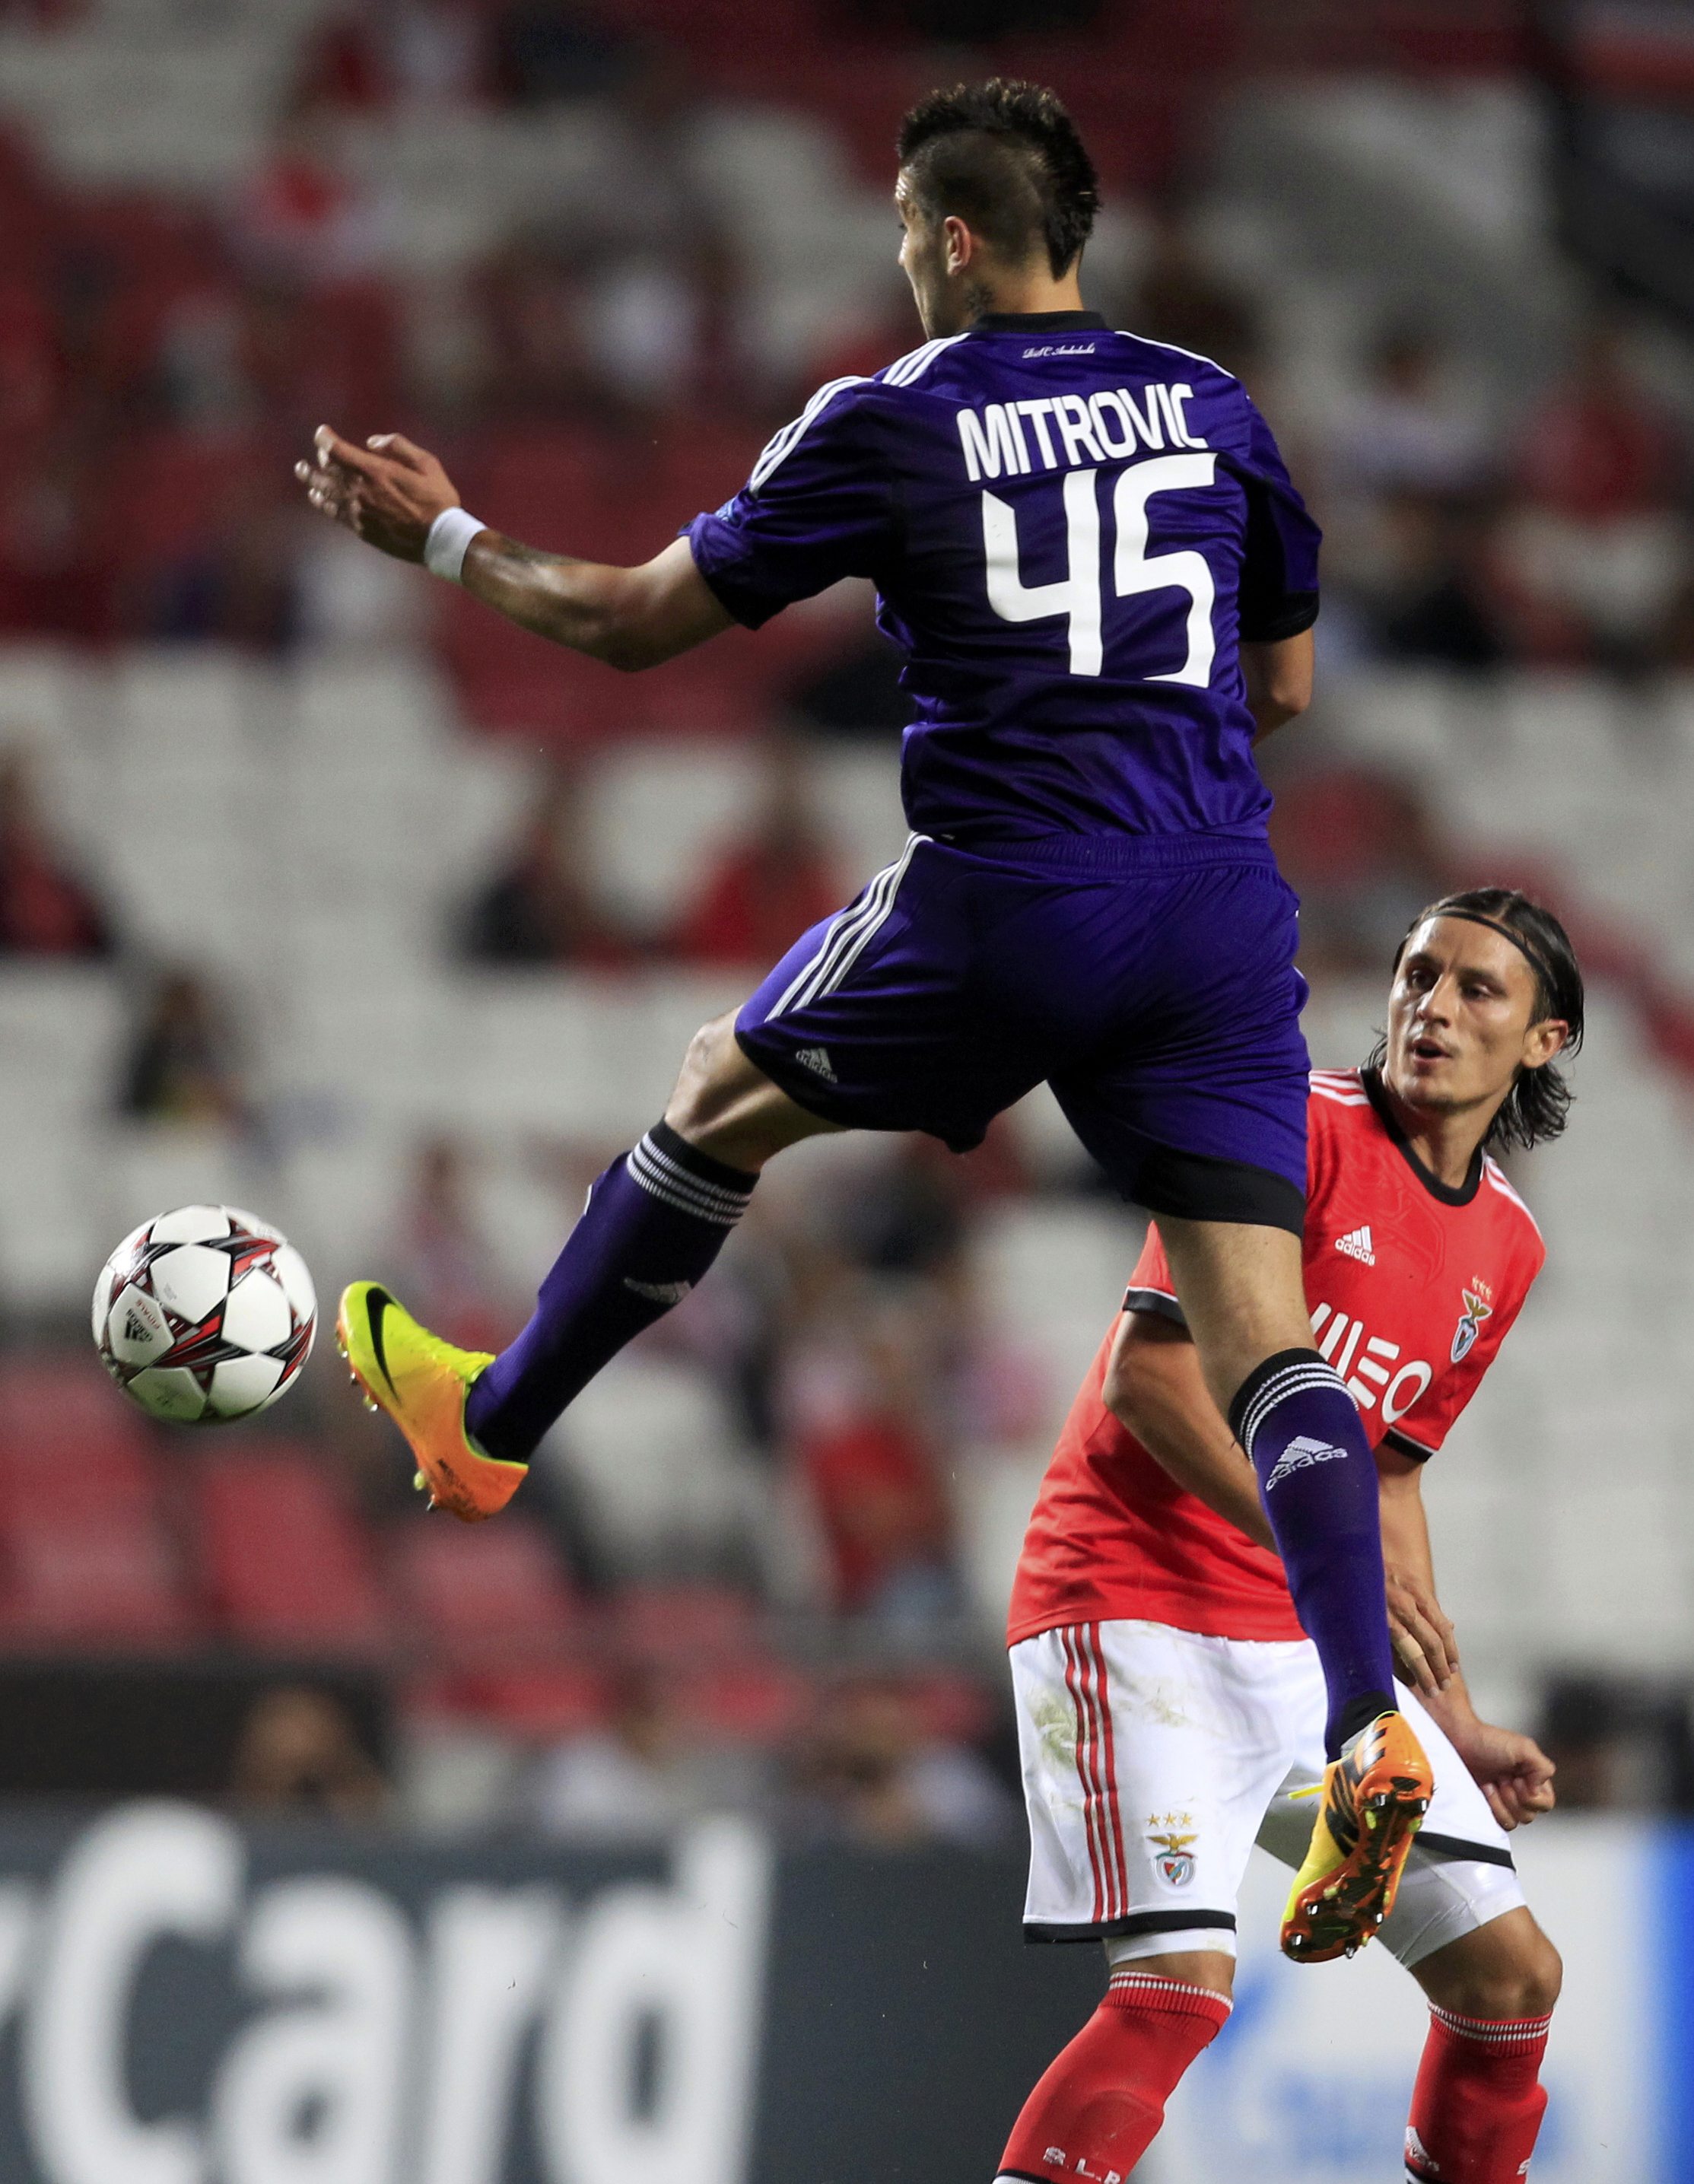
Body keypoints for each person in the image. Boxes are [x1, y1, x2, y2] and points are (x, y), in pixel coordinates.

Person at [300, 78, 1421, 1957]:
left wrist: (440, 536)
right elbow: (1285, 686)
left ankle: (490, 1420)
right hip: (1217, 904)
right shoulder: (1215, 402)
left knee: (716, 1092)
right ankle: (1365, 1721)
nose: (900, 260)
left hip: (1010, 892)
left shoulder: (895, 415)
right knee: (1262, 1337)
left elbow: (633, 619)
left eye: (906, 230)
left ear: (953, 237)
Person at [997, 889, 1578, 2184]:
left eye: (1478, 989)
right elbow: (1147, 1381)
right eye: (1419, 975)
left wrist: (1454, 1718)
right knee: (1176, 1995)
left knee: (1512, 1979)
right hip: (1131, 1605)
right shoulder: (1284, 1130)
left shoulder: (1508, 1244)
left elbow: (1389, 1476)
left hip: (1300, 1643)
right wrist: (1322, 1558)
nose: (1433, 1007)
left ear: (1544, 1041)